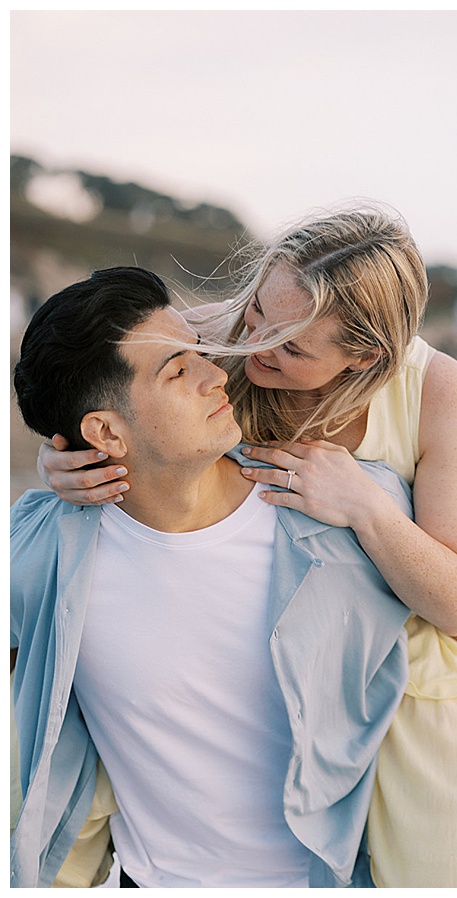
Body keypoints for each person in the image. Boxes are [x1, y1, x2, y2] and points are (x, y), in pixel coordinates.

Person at [34, 209, 457, 888]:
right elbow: (110, 393)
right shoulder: (224, 335)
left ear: (363, 357)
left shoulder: (438, 393)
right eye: (256, 316)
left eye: (291, 346)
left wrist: (364, 505)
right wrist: (58, 457)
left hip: (394, 682)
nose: (253, 347)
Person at [11, 267, 412, 887]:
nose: (215, 374)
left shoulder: (342, 512)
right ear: (105, 433)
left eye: (200, 354)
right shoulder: (43, 546)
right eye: (177, 370)